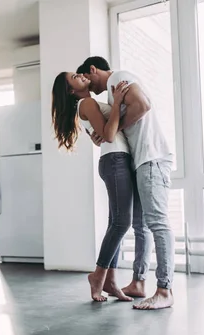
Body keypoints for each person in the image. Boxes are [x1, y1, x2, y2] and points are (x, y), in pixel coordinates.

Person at [77, 56, 175, 310]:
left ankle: (164, 289)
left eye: (87, 78)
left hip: (152, 157)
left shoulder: (118, 78)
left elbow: (143, 105)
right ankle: (139, 282)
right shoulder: (110, 97)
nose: (88, 86)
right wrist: (110, 127)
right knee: (140, 226)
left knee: (157, 223)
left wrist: (115, 126)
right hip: (139, 161)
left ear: (92, 69)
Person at [51, 71, 145, 302]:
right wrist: (118, 103)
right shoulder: (88, 102)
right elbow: (110, 135)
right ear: (71, 90)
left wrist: (115, 108)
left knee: (117, 222)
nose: (81, 76)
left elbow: (103, 134)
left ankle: (110, 281)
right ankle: (98, 276)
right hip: (115, 162)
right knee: (122, 222)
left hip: (115, 161)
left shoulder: (87, 104)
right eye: (75, 77)